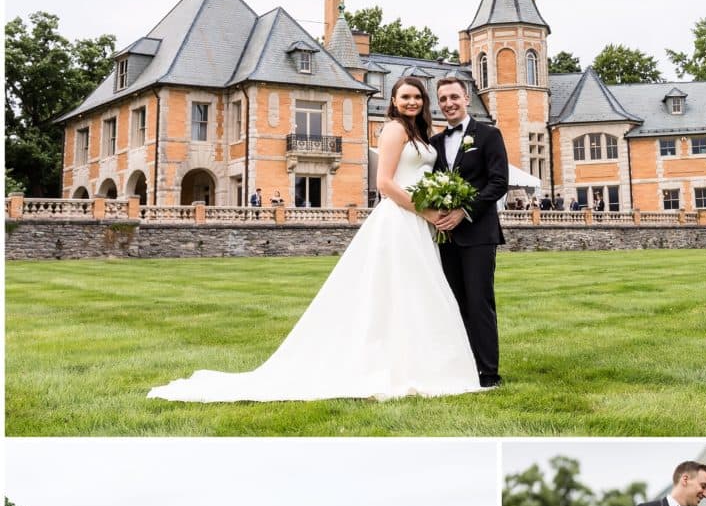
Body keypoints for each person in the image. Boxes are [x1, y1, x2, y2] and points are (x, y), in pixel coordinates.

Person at [147, 77, 481, 401]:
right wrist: (425, 212)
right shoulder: (394, 128)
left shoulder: (422, 132)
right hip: (400, 219)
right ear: (393, 101)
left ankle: (418, 362)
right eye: (405, 97)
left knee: (415, 290)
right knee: (396, 288)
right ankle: (393, 364)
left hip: (416, 223)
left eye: (417, 97)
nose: (412, 102)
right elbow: (384, 184)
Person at [430, 77, 509, 389]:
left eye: (454, 97)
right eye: (443, 99)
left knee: (479, 303)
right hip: (445, 236)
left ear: (466, 99)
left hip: (478, 232)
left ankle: (489, 373)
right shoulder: (434, 144)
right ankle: (462, 367)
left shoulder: (488, 134)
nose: (448, 103)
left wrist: (464, 211)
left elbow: (498, 183)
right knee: (453, 303)